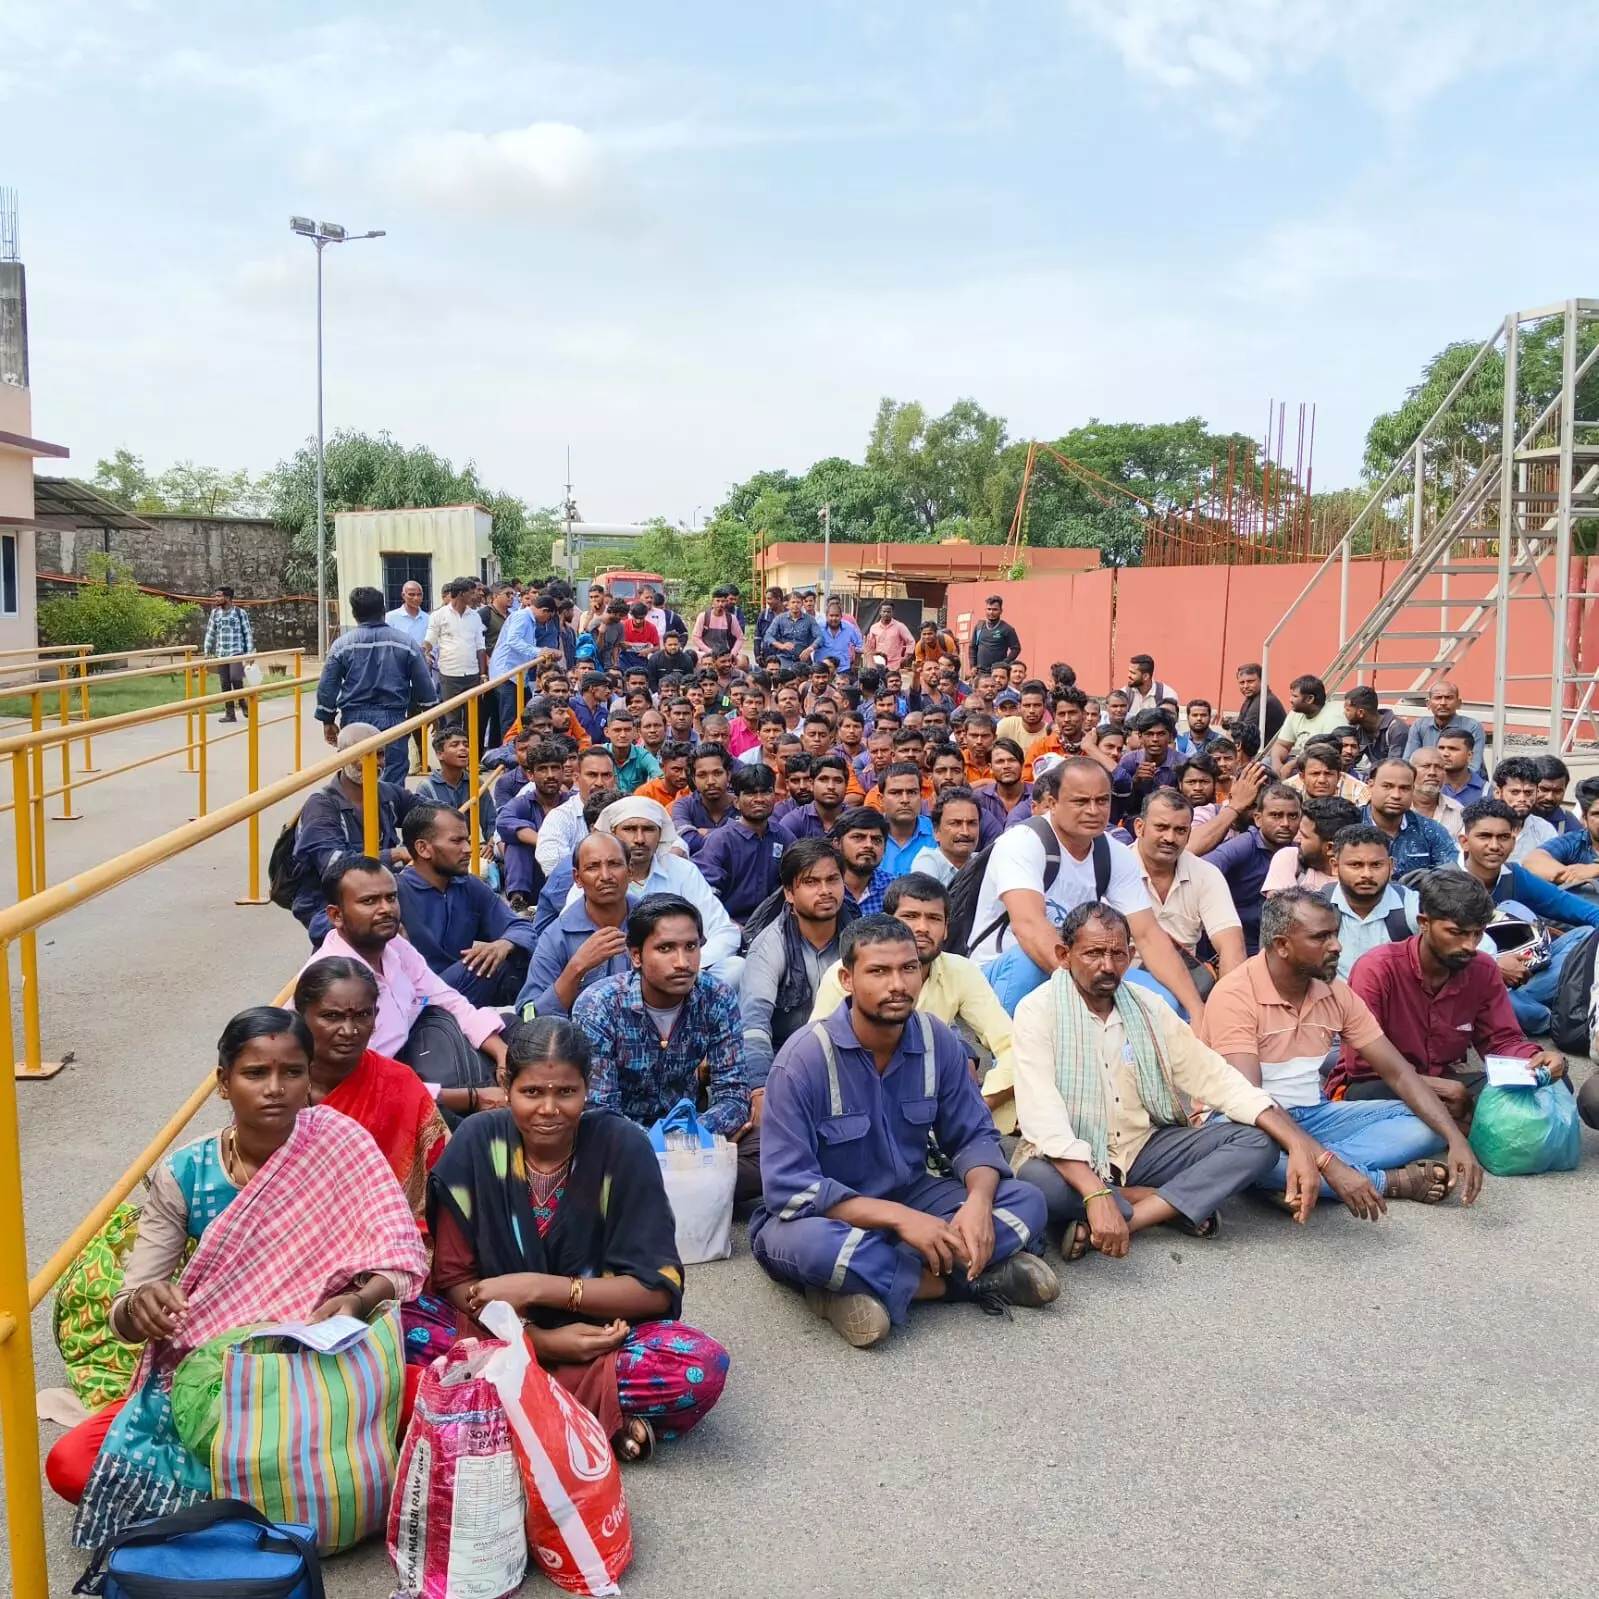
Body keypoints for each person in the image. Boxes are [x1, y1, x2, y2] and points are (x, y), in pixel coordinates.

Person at [56, 1008, 427, 1531]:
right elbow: (127, 1308)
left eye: (291, 1072)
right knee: (69, 1465)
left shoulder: (341, 1143)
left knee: (435, 1396)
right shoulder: (186, 1172)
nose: (275, 1089)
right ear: (223, 1084)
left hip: (321, 1363)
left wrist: (360, 1300)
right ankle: (286, 1492)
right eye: (255, 1074)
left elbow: (400, 1256)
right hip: (215, 1381)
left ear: (308, 1078)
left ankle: (240, 1503)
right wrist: (142, 1310)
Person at [428, 1017, 727, 1461]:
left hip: (597, 1341)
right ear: (504, 1084)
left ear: (587, 1088)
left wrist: (542, 1288)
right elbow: (453, 1277)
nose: (548, 1109)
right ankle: (594, 1419)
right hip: (496, 1337)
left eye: (565, 1092)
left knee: (699, 1365)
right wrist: (535, 1340)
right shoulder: (476, 1141)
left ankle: (500, 1416)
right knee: (405, 1330)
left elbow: (654, 1290)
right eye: (532, 1092)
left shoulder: (620, 1146)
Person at [750, 915, 1055, 1348]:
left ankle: (863, 1284)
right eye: (878, 971)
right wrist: (902, 1220)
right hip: (827, 1217)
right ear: (847, 978)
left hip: (914, 1194)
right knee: (815, 1248)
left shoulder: (938, 1042)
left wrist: (979, 1204)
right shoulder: (802, 1060)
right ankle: (964, 1282)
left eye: (908, 968)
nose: (898, 984)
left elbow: (974, 1138)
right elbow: (790, 1191)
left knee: (1025, 1199)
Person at [1010, 903, 1337, 1257]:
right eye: (1093, 953)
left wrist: (1299, 1144)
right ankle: (1165, 1204)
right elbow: (1045, 1122)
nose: (1107, 965)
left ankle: (1128, 1219)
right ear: (1064, 954)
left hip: (1143, 1149)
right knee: (1037, 1185)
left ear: (1131, 956)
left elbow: (1216, 1077)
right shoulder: (1037, 1011)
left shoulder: (1148, 1007)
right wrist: (1096, 1190)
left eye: (1117, 954)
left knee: (1258, 1143)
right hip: (1073, 1159)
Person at [1200, 889, 1479, 1210]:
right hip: (1240, 1122)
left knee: (1431, 1125)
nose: (1336, 945)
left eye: (1335, 933)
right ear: (1282, 946)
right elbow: (1249, 1102)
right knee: (1249, 1152)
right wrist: (1332, 1164)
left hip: (1314, 1113)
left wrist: (1455, 1140)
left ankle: (1293, 1175)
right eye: (1321, 937)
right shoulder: (1235, 995)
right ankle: (1383, 1182)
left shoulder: (1334, 991)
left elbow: (1399, 1073)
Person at [968, 758, 1207, 1018]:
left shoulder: (1113, 853)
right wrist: (1093, 995)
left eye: (1102, 800)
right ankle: (1006, 1054)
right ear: (1052, 803)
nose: (1093, 810)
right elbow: (1029, 928)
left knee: (1165, 1001)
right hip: (1002, 968)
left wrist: (1197, 1011)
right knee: (1029, 966)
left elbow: (1148, 935)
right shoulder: (1022, 842)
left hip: (1080, 967)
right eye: (1081, 801)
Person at [1328, 870, 1566, 1123]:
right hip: (1375, 1085)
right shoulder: (1377, 969)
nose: (1469, 945)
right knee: (1436, 1108)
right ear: (1423, 923)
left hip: (1443, 1079)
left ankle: (1451, 1122)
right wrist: (1437, 1089)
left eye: (1477, 933)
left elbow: (1501, 1040)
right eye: (1457, 932)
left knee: (1550, 1086)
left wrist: (1535, 1060)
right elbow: (1362, 1065)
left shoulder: (1482, 968)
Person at [811, 873, 1019, 1133]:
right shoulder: (847, 974)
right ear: (888, 923)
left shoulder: (960, 971)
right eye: (910, 917)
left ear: (946, 930)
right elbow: (817, 1054)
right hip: (862, 1110)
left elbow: (1013, 1045)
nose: (922, 928)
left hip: (935, 1107)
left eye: (933, 918)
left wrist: (978, 1106)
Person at [574, 893, 753, 1193]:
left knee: (766, 1154)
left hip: (693, 1136)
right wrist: (659, 1144)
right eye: (665, 948)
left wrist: (691, 1137)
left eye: (691, 947)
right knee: (588, 1157)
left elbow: (734, 1094)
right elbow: (599, 1111)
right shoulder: (598, 1006)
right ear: (636, 956)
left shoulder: (717, 997)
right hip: (621, 1146)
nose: (682, 962)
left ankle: (664, 1190)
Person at [307, 857, 508, 1088]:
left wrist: (501, 1052)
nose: (386, 909)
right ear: (336, 916)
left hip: (412, 1057)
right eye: (369, 901)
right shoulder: (334, 981)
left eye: (391, 898)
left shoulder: (394, 946)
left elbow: (446, 999)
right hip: (374, 1095)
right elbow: (363, 1084)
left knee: (511, 1033)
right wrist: (473, 1098)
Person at [294, 957, 455, 1212]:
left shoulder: (398, 1083)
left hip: (391, 1234)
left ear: (375, 1015)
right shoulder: (278, 1086)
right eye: (332, 1016)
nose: (349, 1030)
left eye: (362, 1015)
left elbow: (443, 1175)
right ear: (302, 1016)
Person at [1453, 799, 1599, 1034]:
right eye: (1484, 836)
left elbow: (1579, 909)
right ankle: (1551, 1019)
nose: (1494, 845)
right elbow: (1435, 951)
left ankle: (1524, 1006)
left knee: (1589, 936)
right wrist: (1491, 966)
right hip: (1468, 974)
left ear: (1513, 841)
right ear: (1464, 842)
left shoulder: (1515, 875)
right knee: (1493, 996)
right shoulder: (1444, 881)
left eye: (1503, 837)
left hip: (1527, 972)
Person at [741, 839, 857, 1090]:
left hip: (852, 1057)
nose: (825, 890)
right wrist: (760, 1089)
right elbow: (753, 1023)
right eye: (811, 882)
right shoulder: (770, 945)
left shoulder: (860, 939)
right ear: (789, 893)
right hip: (786, 1060)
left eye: (832, 880)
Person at [396, 803, 536, 1007]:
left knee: (523, 956)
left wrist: (503, 944)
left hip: (458, 990)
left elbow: (520, 927)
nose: (469, 850)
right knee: (481, 964)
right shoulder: (393, 893)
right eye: (457, 841)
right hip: (413, 1000)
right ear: (423, 848)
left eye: (468, 841)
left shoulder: (469, 885)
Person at [288, 722, 416, 941]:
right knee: (392, 934)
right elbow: (336, 866)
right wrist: (395, 854)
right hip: (326, 904)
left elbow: (426, 812)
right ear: (343, 756)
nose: (375, 763)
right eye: (365, 755)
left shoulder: (385, 793)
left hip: (378, 892)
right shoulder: (321, 806)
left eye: (380, 755)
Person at [315, 586, 437, 785]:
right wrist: (431, 709)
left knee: (355, 776)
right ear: (383, 610)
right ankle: (389, 814)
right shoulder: (405, 643)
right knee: (393, 778)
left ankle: (358, 815)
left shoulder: (342, 645)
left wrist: (327, 719)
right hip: (393, 720)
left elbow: (328, 685)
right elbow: (423, 681)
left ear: (354, 614)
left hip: (354, 720)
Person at [516, 831, 634, 1018]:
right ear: (577, 878)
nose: (605, 876)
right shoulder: (557, 936)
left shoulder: (654, 922)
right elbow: (530, 1016)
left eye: (614, 864)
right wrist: (577, 968)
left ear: (630, 872)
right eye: (593, 867)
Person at [1131, 790, 1245, 981]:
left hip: (1184, 986)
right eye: (1161, 827)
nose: (1170, 838)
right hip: (1121, 982)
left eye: (1180, 830)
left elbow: (1231, 947)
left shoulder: (1206, 874)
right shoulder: (1116, 871)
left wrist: (1227, 1004)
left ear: (1189, 833)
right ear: (1139, 827)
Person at [1204, 781, 1303, 954]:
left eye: (1293, 816)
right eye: (1276, 815)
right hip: (1235, 944)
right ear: (1258, 819)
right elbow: (1202, 870)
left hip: (1276, 943)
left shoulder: (1298, 850)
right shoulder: (1244, 845)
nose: (1285, 823)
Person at [696, 762, 795, 923]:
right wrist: (731, 926)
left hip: (776, 926)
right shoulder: (721, 841)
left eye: (765, 792)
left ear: (775, 797)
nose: (759, 799)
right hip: (727, 925)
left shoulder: (783, 836)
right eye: (750, 793)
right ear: (736, 801)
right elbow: (706, 897)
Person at [1323, 823, 1418, 979]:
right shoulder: (1318, 908)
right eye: (1355, 865)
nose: (1366, 874)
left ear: (1391, 866)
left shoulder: (1412, 908)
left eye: (1376, 865)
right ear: (1334, 866)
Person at [494, 738, 568, 910]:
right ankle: (518, 901)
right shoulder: (523, 802)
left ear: (563, 772)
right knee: (516, 841)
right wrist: (543, 841)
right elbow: (503, 823)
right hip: (534, 878)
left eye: (555, 768)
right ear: (530, 775)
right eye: (542, 769)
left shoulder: (573, 802)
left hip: (568, 876)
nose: (550, 775)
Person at [1360, 757, 1457, 874]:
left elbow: (1452, 877)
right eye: (1387, 786)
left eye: (1404, 788)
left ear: (1413, 790)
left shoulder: (1430, 830)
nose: (1396, 795)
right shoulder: (1350, 823)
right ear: (1370, 786)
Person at [535, 745, 618, 878]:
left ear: (615, 780)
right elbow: (551, 862)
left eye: (606, 775)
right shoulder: (561, 816)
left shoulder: (628, 813)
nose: (599, 783)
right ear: (576, 778)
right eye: (592, 775)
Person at [1262, 794, 1361, 896]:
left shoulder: (1362, 875)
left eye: (1304, 836)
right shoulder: (1289, 858)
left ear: (1331, 848)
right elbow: (1279, 909)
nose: (1296, 839)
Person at [424, 578, 489, 725]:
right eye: (472, 593)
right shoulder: (439, 615)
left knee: (473, 720)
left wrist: (483, 673)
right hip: (449, 675)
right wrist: (423, 651)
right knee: (452, 720)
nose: (476, 596)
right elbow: (430, 640)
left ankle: (472, 748)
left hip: (472, 675)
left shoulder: (475, 617)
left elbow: (480, 647)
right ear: (461, 594)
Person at [415, 724, 494, 838]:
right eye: (454, 745)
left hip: (467, 847)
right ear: (440, 754)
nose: (463, 748)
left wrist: (491, 842)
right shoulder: (427, 787)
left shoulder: (476, 783)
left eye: (466, 745)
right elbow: (424, 831)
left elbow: (491, 820)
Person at [1523, 779, 1599, 891]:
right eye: (1597, 814)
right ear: (1584, 818)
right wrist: (1575, 876)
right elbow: (1532, 861)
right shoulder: (1576, 841)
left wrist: (1595, 870)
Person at [1110, 708, 1178, 823]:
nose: (1155, 739)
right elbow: (1119, 803)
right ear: (1140, 737)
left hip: (1171, 818)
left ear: (1170, 737)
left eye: (1161, 734)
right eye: (1149, 734)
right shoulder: (1129, 761)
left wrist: (1176, 796)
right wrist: (1134, 782)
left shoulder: (1181, 762)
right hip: (1134, 818)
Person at [1402, 679, 1485, 771]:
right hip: (1429, 780)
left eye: (1449, 698)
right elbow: (1409, 763)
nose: (1443, 703)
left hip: (1464, 782)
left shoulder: (1472, 727)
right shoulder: (1419, 726)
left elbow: (1474, 767)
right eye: (1438, 698)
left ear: (1459, 703)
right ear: (1428, 703)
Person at [1269, 674, 1343, 775]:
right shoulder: (1295, 714)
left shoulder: (1333, 717)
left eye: (1295, 696)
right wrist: (1276, 763)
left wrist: (1290, 765)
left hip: (1322, 764)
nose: (1290, 700)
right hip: (1300, 761)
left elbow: (1325, 754)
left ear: (1310, 699)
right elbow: (1282, 744)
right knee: (1266, 764)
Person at [909, 784, 981, 886]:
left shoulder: (985, 863)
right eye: (955, 823)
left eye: (972, 823)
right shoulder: (928, 862)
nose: (965, 832)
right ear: (936, 831)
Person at [671, 743, 737, 854]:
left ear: (728, 774)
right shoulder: (684, 806)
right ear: (693, 778)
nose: (710, 781)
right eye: (702, 775)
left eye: (717, 773)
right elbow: (688, 840)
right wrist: (732, 836)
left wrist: (705, 832)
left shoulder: (743, 805)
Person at [1490, 756, 1558, 861]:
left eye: (1528, 792)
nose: (1522, 799)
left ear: (1536, 792)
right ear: (1497, 793)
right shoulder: (1480, 826)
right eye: (1514, 792)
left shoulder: (1544, 830)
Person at [203, 585, 254, 723]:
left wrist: (249, 653)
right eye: (216, 596)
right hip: (221, 653)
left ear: (227, 598)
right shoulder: (215, 613)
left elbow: (247, 633)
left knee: (236, 678)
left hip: (236, 651)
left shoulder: (239, 613)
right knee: (225, 683)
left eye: (219, 596)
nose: (216, 599)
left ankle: (242, 702)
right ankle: (230, 713)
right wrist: (207, 650)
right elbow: (210, 632)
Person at [836, 806, 894, 916]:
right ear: (837, 844)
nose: (869, 845)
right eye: (858, 837)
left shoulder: (892, 888)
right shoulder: (825, 887)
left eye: (876, 840)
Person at [1341, 685, 1407, 775]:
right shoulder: (1359, 728)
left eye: (1347, 710)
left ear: (1360, 713)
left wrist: (1363, 774)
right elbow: (1351, 762)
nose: (1344, 713)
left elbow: (1393, 768)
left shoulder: (1397, 730)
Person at [783, 752, 851, 840]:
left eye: (838, 781)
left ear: (846, 786)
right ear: (812, 784)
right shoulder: (794, 821)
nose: (831, 786)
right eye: (823, 780)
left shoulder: (858, 822)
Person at [1408, 745, 1466, 838]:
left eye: (1438, 767)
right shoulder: (1398, 808)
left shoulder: (1458, 811)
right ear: (1410, 771)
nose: (1432, 772)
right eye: (1425, 766)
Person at [1289, 739, 1369, 805]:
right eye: (1315, 774)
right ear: (1302, 777)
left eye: (1328, 774)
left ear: (1339, 776)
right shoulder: (1289, 789)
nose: (1322, 780)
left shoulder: (1359, 792)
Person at [1233, 661, 1285, 760]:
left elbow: (1242, 735)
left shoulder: (1263, 701)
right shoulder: (1253, 698)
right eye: (1242, 682)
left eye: (1250, 681)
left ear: (1262, 681)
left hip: (1268, 757)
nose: (1245, 686)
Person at [602, 709, 661, 796]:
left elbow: (660, 777)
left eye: (627, 730)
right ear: (607, 732)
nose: (623, 735)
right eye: (617, 730)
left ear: (634, 732)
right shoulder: (600, 754)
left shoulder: (642, 755)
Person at [691, 586, 746, 663]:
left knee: (742, 662)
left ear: (726, 602)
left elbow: (740, 638)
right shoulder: (703, 616)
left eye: (723, 601)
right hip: (706, 656)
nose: (720, 604)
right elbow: (695, 637)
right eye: (717, 601)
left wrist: (733, 653)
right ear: (712, 602)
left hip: (725, 657)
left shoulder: (731, 618)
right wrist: (709, 651)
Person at [969, 595, 1022, 673]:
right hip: (980, 672)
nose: (991, 612)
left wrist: (1004, 664)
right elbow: (972, 647)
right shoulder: (979, 627)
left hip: (997, 673)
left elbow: (1016, 648)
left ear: (1001, 611)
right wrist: (972, 665)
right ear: (985, 610)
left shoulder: (1007, 629)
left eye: (995, 609)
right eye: (989, 609)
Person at [634, 740, 692, 809]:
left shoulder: (695, 791)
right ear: (662, 767)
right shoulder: (645, 793)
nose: (683, 776)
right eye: (676, 770)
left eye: (687, 770)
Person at [1435, 727, 1486, 805]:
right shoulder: (1426, 786)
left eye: (1452, 749)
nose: (1445, 754)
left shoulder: (1487, 791)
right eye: (1441, 748)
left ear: (1469, 755)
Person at [768, 591, 822, 664]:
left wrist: (810, 649)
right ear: (788, 604)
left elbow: (820, 637)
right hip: (784, 658)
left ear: (802, 604)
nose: (796, 605)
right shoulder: (779, 619)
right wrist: (781, 646)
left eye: (798, 602)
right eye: (793, 602)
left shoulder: (810, 620)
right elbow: (768, 636)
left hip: (803, 659)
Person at [815, 596, 863, 673]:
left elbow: (859, 645)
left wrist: (856, 664)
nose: (834, 618)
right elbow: (809, 644)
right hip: (821, 669)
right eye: (831, 616)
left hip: (843, 669)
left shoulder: (849, 628)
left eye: (837, 616)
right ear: (826, 616)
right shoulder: (818, 627)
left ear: (841, 616)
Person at [865, 602, 916, 671]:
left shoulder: (900, 626)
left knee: (892, 681)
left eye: (889, 612)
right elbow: (871, 646)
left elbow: (911, 641)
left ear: (892, 613)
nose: (886, 614)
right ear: (880, 612)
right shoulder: (874, 627)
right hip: (878, 664)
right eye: (884, 611)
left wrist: (906, 657)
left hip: (894, 665)